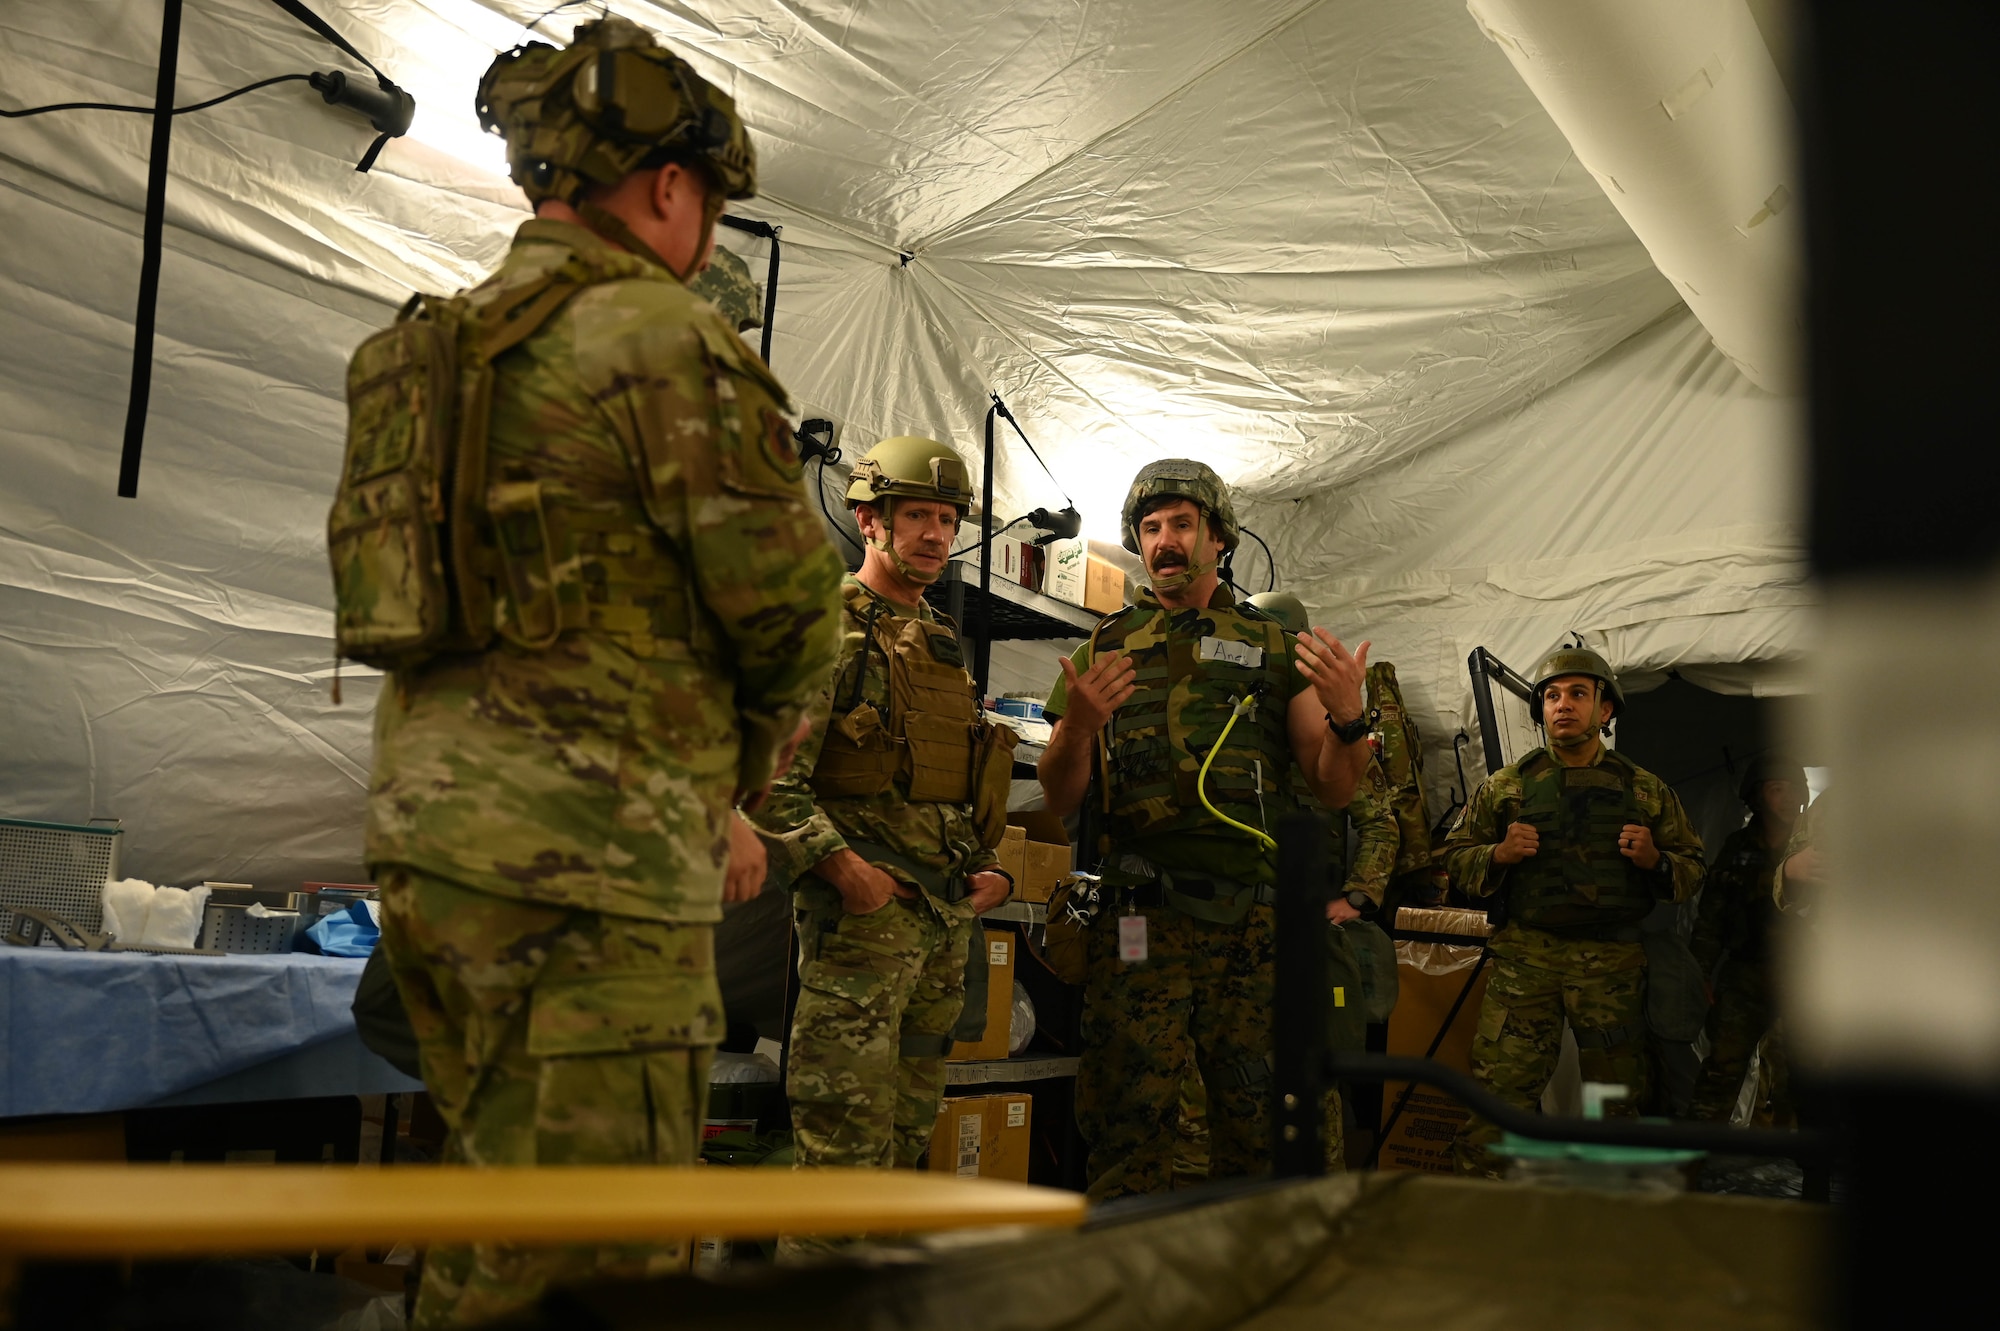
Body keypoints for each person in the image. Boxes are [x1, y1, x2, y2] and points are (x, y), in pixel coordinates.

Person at [355, 19, 843, 1326]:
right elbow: (797, 612)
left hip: (430, 856)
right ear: (674, 188)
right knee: (596, 1261)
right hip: (591, 876)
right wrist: (732, 781)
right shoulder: (662, 339)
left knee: (495, 1213)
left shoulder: (447, 343)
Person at [1037, 461, 1372, 1201]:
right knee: (1129, 1124)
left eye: (1181, 524)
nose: (1164, 542)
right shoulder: (1106, 645)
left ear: (1217, 537)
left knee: (1270, 1129)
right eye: (1150, 528)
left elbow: (1333, 783)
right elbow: (1062, 795)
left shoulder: (1272, 642)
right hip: (1139, 923)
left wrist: (1350, 718)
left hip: (1252, 922)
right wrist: (1077, 729)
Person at [751, 437, 1015, 1243]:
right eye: (916, 516)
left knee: (898, 1159)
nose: (935, 534)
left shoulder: (938, 640)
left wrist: (988, 867)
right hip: (861, 933)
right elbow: (766, 780)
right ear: (870, 519)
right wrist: (845, 871)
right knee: (839, 1167)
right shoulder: (822, 624)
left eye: (946, 518)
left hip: (938, 926)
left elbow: (946, 782)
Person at [1442, 646, 1704, 1179]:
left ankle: (1611, 1222)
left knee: (1615, 1102)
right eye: (1553, 696)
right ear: (1540, 711)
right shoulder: (1506, 786)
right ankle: (1474, 1216)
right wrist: (1497, 854)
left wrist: (1655, 860)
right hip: (1525, 961)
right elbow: (1450, 862)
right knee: (1498, 1096)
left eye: (1579, 694)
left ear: (1605, 711)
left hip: (1611, 964)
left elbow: (1693, 870)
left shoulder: (1646, 790)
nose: (1563, 705)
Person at [1167, 589, 1398, 1180]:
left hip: (1298, 928)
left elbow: (1377, 818)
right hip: (1227, 920)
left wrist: (1356, 898)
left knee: (1303, 1077)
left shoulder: (1322, 727)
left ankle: (1314, 1206)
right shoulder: (1230, 724)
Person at [1687, 755, 1806, 1122]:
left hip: (1804, 975)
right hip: (1745, 976)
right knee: (1722, 1066)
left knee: (1800, 1073)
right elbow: (1712, 916)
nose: (1787, 798)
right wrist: (1699, 973)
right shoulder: (1737, 847)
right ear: (1756, 798)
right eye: (1776, 789)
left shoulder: (1813, 847)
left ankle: (1805, 1166)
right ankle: (1692, 1161)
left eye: (1793, 790)